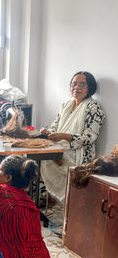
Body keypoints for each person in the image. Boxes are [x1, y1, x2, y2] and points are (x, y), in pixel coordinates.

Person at [40, 71, 106, 202]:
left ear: (90, 87)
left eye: (82, 84)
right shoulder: (67, 104)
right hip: (61, 148)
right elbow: (56, 125)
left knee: (44, 159)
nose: (77, 87)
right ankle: (48, 201)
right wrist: (48, 131)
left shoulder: (94, 108)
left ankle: (59, 203)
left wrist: (65, 136)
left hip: (79, 154)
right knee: (40, 158)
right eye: (74, 84)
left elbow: (89, 137)